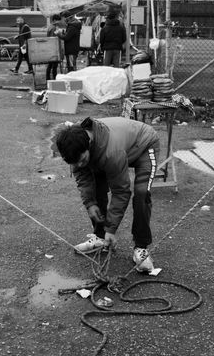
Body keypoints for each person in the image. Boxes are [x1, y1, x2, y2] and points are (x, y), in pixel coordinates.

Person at [54, 116, 160, 273]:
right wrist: (89, 203)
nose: (78, 165)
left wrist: (111, 229)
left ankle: (141, 247)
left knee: (142, 193)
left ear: (89, 145)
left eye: (82, 160)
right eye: (74, 163)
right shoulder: (74, 146)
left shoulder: (112, 152)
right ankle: (100, 237)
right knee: (95, 188)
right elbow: (83, 177)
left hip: (144, 145)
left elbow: (121, 191)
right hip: (116, 150)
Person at [45, 14, 64, 81]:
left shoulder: (51, 26)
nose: (59, 22)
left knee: (50, 65)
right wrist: (59, 33)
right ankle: (54, 79)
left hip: (50, 47)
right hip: (53, 48)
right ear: (54, 20)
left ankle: (48, 78)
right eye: (58, 21)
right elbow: (54, 39)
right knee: (54, 65)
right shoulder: (53, 28)